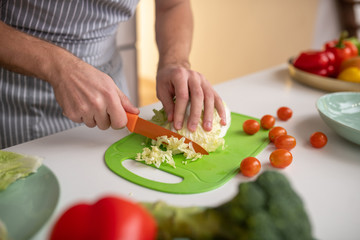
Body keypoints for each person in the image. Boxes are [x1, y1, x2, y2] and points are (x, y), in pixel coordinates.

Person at [0, 0, 226, 149]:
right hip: (15, 97)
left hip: (111, 92)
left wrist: (175, 60)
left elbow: (173, 5)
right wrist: (58, 66)